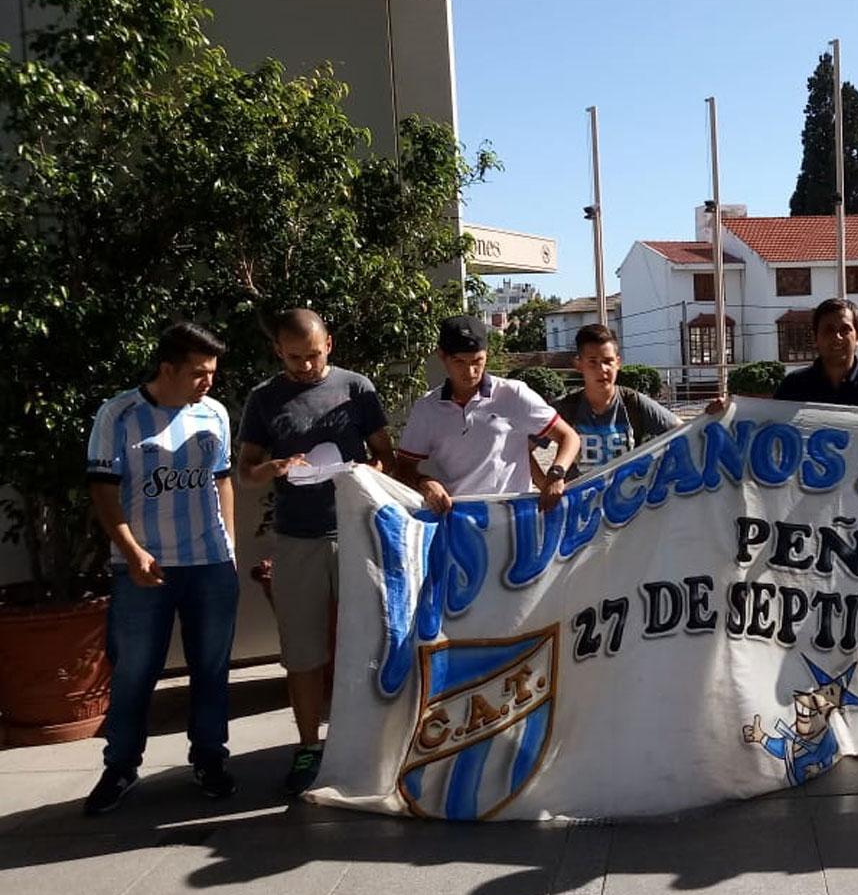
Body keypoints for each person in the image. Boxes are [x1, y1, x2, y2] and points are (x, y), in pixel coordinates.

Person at [83, 323, 239, 814]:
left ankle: (210, 758)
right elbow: (103, 489)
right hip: (143, 567)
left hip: (210, 563)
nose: (207, 382)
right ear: (167, 368)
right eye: (198, 373)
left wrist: (229, 547)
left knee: (212, 669)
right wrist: (130, 551)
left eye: (212, 372)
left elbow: (222, 480)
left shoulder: (214, 413)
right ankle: (121, 765)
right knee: (134, 671)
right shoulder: (119, 414)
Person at [238, 309, 396, 795]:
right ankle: (309, 746)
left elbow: (385, 454)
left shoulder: (356, 388)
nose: (305, 366)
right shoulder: (264, 399)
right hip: (297, 539)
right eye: (293, 358)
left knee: (374, 641)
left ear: (329, 343)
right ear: (277, 352)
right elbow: (245, 470)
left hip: (357, 533)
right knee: (303, 653)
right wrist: (276, 468)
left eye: (312, 355)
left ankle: (375, 742)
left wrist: (366, 473)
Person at [396, 315, 581, 512]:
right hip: (458, 520)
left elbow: (568, 436)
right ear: (442, 356)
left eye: (478, 361)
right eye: (459, 361)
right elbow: (402, 468)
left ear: (487, 354)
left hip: (514, 519)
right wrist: (424, 482)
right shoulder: (427, 408)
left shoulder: (513, 394)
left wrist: (556, 473)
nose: (470, 371)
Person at [538, 323, 679, 479]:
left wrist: (710, 417)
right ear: (578, 364)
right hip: (580, 502)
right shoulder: (565, 407)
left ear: (618, 363)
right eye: (593, 361)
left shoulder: (634, 403)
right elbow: (522, 447)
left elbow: (685, 431)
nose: (602, 369)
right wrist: (545, 486)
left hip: (629, 498)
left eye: (608, 361)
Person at [773, 298, 858, 423]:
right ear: (815, 338)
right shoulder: (793, 386)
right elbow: (771, 429)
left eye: (845, 330)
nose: (837, 337)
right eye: (829, 330)